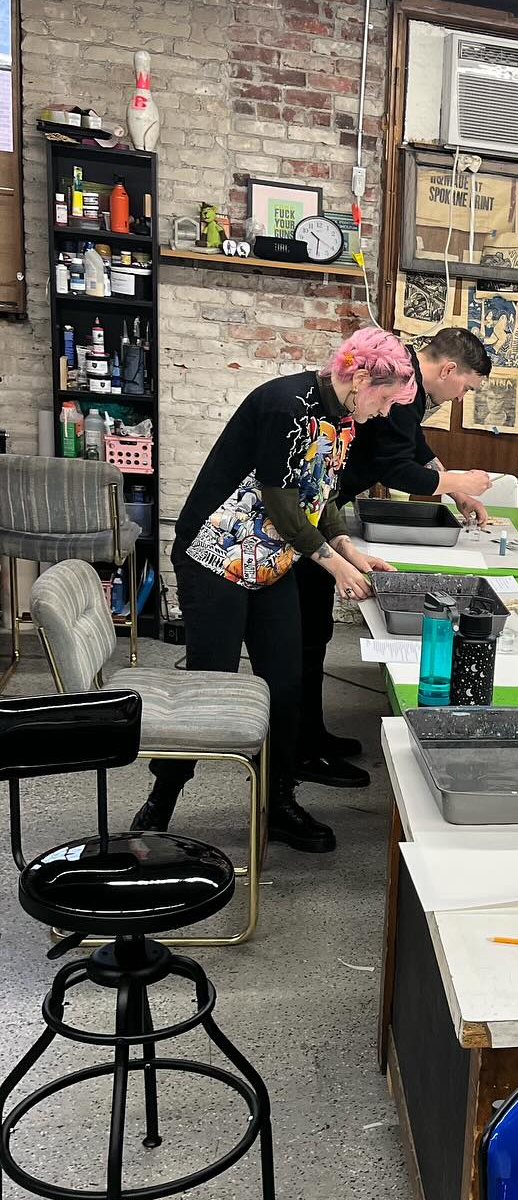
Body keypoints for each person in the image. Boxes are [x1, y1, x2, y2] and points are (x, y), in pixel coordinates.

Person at [132, 328, 417, 854]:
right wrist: (335, 568)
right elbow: (284, 505)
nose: (384, 412)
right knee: (209, 686)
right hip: (215, 555)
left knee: (285, 684)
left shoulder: (343, 418)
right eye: (385, 398)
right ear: (358, 377)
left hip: (269, 560)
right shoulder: (287, 405)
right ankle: (163, 795)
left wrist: (351, 551)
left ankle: (278, 802)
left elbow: (320, 493)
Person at [294, 325, 494, 786]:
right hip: (312, 510)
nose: (462, 397)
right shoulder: (400, 383)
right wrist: (455, 483)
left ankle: (313, 734)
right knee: (304, 634)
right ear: (448, 369)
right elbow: (394, 467)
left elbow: (414, 450)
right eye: (465, 386)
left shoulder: (408, 390)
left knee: (316, 631)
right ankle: (301, 750)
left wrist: (452, 491)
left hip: (326, 506)